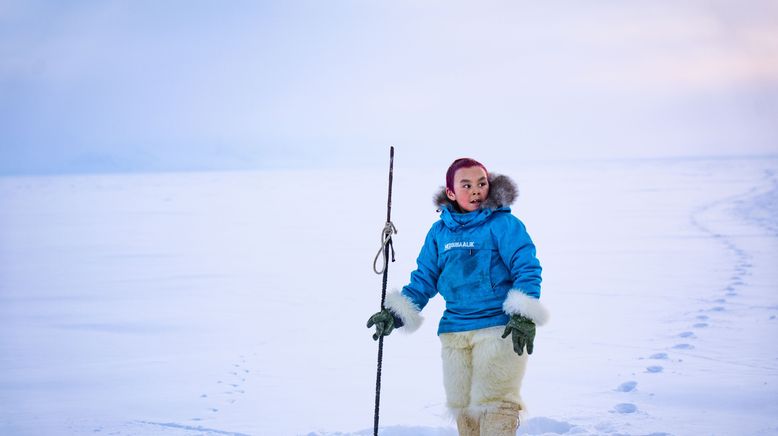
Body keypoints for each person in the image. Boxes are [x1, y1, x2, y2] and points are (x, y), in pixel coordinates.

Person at [367, 158, 548, 436]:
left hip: (499, 329)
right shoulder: (439, 232)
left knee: (495, 405)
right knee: (463, 407)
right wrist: (395, 313)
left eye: (481, 183)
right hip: (454, 332)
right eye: (467, 185)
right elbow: (424, 279)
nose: (476, 190)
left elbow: (527, 268)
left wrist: (523, 315)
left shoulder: (504, 225)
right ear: (451, 192)